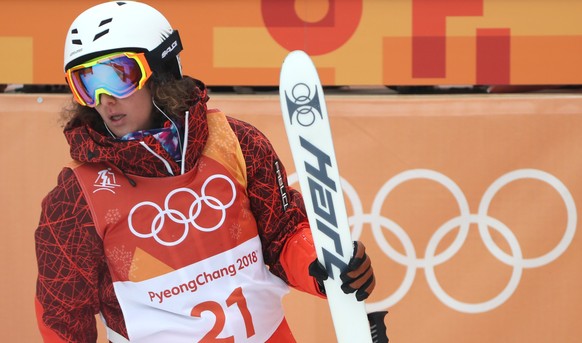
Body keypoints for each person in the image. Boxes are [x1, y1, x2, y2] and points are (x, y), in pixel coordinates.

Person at [34, 1, 377, 342]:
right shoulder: (76, 197)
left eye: (118, 76)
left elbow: (283, 234)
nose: (104, 98)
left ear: (162, 70)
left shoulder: (234, 142)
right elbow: (63, 318)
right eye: (87, 82)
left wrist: (324, 267)